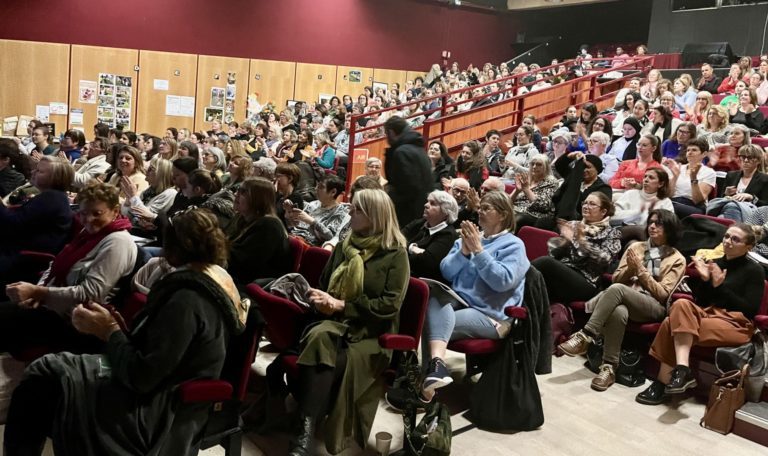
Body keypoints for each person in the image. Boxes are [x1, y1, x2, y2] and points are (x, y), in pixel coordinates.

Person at [3, 208, 248, 455]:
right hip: (153, 388)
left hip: (158, 408)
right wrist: (117, 328)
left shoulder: (187, 299)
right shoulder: (211, 278)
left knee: (42, 386)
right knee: (47, 374)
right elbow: (158, 348)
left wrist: (109, 331)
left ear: (173, 247)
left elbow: (142, 377)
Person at [286, 189, 409, 455]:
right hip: (336, 321)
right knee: (320, 340)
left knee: (323, 358)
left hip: (372, 333)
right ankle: (305, 429)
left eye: (357, 210)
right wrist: (321, 298)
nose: (350, 213)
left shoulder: (395, 254)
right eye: (351, 208)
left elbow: (389, 304)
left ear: (375, 215)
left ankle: (304, 425)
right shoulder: (345, 245)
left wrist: (342, 304)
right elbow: (324, 283)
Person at [0, 182, 137, 355]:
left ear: (115, 211)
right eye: (84, 213)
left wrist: (39, 292)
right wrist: (37, 294)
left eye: (97, 213)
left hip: (74, 320)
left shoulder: (118, 242)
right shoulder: (89, 233)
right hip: (54, 303)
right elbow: (55, 265)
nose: (88, 219)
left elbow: (91, 294)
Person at [636, 224, 765, 405]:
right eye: (726, 237)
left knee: (669, 323)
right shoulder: (717, 263)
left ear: (748, 246)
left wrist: (721, 286)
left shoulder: (755, 271)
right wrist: (705, 281)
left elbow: (749, 309)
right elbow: (702, 303)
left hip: (736, 323)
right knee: (681, 304)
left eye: (735, 239)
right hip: (708, 314)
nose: (728, 241)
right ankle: (682, 369)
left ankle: (661, 383)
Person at [559, 210, 686, 391]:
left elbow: (663, 294)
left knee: (617, 291)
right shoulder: (636, 248)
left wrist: (641, 271)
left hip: (653, 306)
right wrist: (631, 269)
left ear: (670, 229)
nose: (652, 226)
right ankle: (609, 368)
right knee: (618, 310)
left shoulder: (677, 258)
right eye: (651, 222)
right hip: (625, 297)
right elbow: (617, 279)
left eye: (658, 224)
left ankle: (586, 335)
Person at [420, 191, 529, 398]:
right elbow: (446, 271)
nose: (480, 211)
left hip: (492, 315)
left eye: (487, 208)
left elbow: (502, 282)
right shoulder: (471, 238)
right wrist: (463, 252)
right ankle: (435, 368)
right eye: (480, 207)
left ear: (503, 215)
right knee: (433, 296)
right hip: (461, 301)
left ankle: (425, 389)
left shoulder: (514, 245)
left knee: (429, 322)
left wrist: (479, 252)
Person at [532, 192, 621, 304]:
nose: (586, 206)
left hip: (586, 281)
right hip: (563, 272)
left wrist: (580, 241)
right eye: (585, 203)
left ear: (603, 211)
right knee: (538, 277)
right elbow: (553, 254)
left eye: (592, 204)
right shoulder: (573, 224)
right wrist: (565, 242)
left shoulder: (612, 233)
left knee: (544, 263)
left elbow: (604, 260)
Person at [0, 156, 73, 286]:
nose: (33, 172)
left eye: (39, 171)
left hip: (22, 259)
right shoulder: (52, 196)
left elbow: (12, 224)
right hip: (17, 249)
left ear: (55, 178)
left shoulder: (52, 198)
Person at [228, 177, 292, 285]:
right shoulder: (241, 218)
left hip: (253, 285)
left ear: (258, 198)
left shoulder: (270, 225)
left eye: (243, 192)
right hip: (235, 275)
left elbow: (245, 264)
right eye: (238, 190)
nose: (236, 194)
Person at [383, 116, 433, 227]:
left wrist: (388, 195)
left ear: (391, 132)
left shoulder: (401, 152)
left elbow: (407, 188)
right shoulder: (418, 148)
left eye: (386, 134)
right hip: (420, 209)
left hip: (407, 214)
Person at [400, 190, 459, 282]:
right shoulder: (421, 222)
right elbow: (395, 238)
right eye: (428, 201)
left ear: (446, 213)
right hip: (405, 272)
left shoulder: (448, 235)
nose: (426, 205)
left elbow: (426, 262)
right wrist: (412, 248)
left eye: (432, 203)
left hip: (422, 282)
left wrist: (405, 247)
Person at [707, 144, 768, 222]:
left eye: (750, 158)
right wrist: (726, 193)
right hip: (729, 208)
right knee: (722, 214)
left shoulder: (765, 179)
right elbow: (722, 197)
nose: (745, 160)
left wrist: (751, 197)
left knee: (725, 213)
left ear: (759, 160)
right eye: (743, 157)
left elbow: (766, 205)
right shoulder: (731, 175)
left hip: (752, 212)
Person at [286, 176, 350, 247]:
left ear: (333, 192)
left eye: (320, 187)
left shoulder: (339, 212)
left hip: (308, 245)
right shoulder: (313, 204)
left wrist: (312, 221)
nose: (316, 189)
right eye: (317, 186)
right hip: (293, 237)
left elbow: (330, 237)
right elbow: (295, 226)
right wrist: (289, 213)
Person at [664, 138, 716, 218]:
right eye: (688, 150)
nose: (689, 153)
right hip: (674, 201)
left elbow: (698, 200)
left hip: (693, 206)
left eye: (694, 150)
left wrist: (693, 178)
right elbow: (669, 194)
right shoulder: (678, 168)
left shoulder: (709, 172)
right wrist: (675, 177)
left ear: (704, 154)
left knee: (667, 207)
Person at [120, 157, 177, 229]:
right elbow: (127, 216)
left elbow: (144, 216)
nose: (146, 170)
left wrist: (133, 196)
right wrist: (128, 200)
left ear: (160, 174)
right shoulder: (147, 191)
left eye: (151, 169)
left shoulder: (170, 193)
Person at [612, 167, 674, 232]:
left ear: (660, 184)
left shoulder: (665, 202)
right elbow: (613, 216)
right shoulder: (630, 194)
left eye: (651, 178)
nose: (646, 180)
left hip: (647, 235)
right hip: (621, 231)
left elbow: (668, 225)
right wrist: (638, 212)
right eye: (645, 176)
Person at [511, 154, 559, 229]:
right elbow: (508, 201)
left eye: (539, 164)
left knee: (517, 219)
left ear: (546, 167)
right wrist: (517, 191)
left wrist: (527, 190)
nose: (534, 167)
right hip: (516, 209)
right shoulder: (527, 179)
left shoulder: (551, 182)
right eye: (532, 164)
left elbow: (543, 206)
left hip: (533, 214)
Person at [275, 162, 304, 227]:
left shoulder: (296, 197)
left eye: (278, 176)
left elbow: (291, 224)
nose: (275, 179)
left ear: (290, 179)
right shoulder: (279, 196)